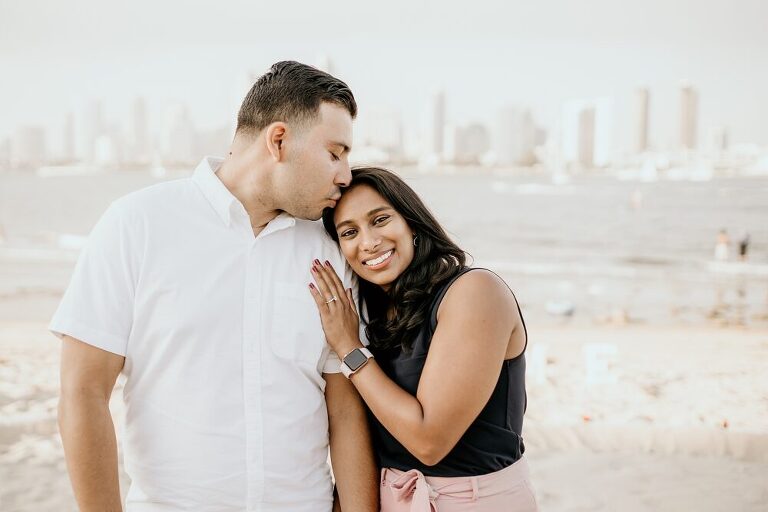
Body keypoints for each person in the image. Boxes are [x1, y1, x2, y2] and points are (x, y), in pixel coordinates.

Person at [51, 61, 378, 512]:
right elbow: (83, 391)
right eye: (335, 153)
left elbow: (344, 410)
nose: (345, 175)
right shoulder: (137, 224)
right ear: (278, 141)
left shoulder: (330, 249)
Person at [308, 167, 538, 511]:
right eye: (349, 232)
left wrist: (349, 349)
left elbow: (429, 441)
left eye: (380, 220)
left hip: (474, 502)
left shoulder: (475, 292)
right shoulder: (376, 312)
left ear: (411, 223)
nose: (368, 242)